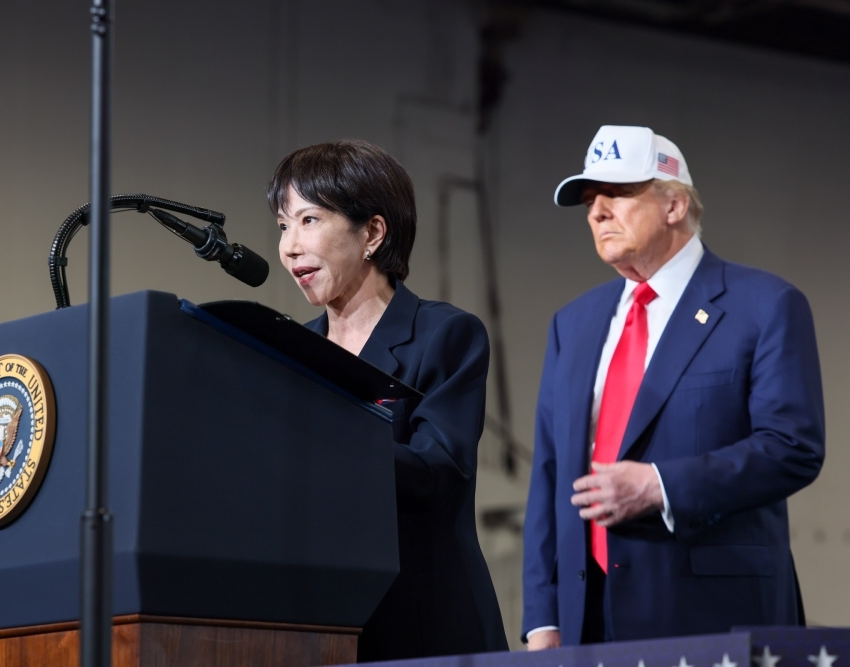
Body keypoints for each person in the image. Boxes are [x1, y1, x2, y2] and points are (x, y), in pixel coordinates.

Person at [522, 125, 825, 648]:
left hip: (709, 617)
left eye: (616, 194)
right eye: (590, 201)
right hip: (585, 620)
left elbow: (792, 447)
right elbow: (549, 477)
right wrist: (543, 617)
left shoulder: (765, 306)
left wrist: (660, 486)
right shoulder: (572, 324)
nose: (596, 212)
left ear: (675, 205)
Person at [268, 139, 508, 661]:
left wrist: (323, 442)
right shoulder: (292, 349)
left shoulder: (445, 334)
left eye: (308, 221)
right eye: (283, 226)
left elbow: (438, 470)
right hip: (320, 621)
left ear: (373, 232)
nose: (288, 247)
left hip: (424, 621)